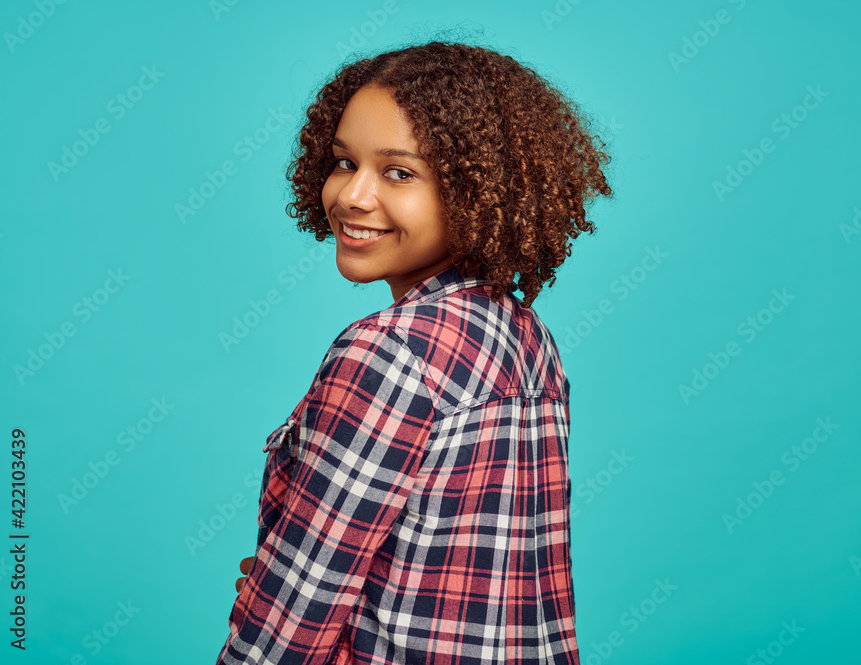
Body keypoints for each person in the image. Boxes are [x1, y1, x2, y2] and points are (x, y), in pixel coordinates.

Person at [215, 39, 612, 665]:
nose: (352, 196)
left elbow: (292, 624)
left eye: (398, 172)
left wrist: (276, 599)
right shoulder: (527, 338)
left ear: (479, 190)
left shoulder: (388, 352)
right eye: (344, 162)